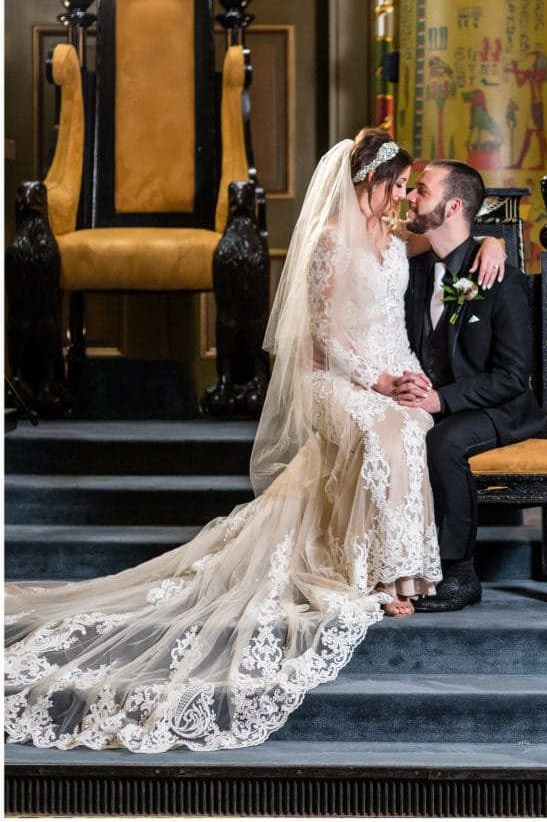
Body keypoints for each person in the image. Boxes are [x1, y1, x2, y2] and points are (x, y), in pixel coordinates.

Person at [4, 129, 504, 753]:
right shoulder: (327, 242)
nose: (404, 196)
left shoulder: (399, 241)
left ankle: (407, 574)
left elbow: (454, 239)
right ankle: (375, 577)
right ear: (368, 183)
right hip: (336, 375)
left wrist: (491, 241)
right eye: (397, 185)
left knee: (410, 422)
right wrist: (375, 380)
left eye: (409, 187)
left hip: (388, 368)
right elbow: (319, 337)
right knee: (381, 428)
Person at [395, 159, 547, 612]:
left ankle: (460, 573)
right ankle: (398, 564)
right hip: (430, 396)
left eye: (421, 191)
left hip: (498, 406)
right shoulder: (415, 271)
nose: (410, 196)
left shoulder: (502, 281)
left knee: (442, 441)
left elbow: (511, 377)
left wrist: (442, 399)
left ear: (452, 206)